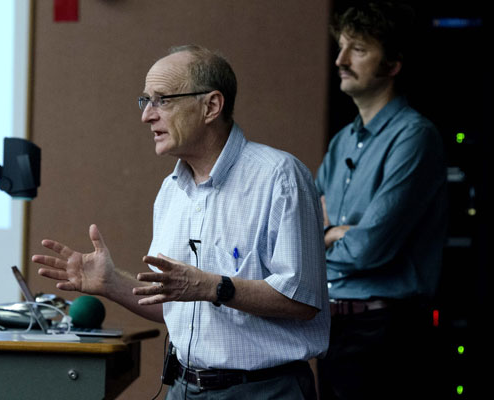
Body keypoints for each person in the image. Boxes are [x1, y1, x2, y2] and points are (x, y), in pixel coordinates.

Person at [32, 44, 329, 400]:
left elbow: (303, 299)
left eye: (162, 100)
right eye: (145, 101)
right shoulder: (171, 191)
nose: (147, 116)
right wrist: (112, 283)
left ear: (211, 106)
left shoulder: (279, 177)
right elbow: (174, 303)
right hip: (184, 388)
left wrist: (210, 286)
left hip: (263, 390)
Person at [315, 2, 448, 399]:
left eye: (357, 49)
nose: (340, 60)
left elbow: (370, 248)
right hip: (332, 329)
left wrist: (327, 236)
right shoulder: (341, 142)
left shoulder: (415, 137)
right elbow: (304, 235)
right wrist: (331, 233)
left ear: (392, 65)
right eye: (341, 47)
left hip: (386, 333)